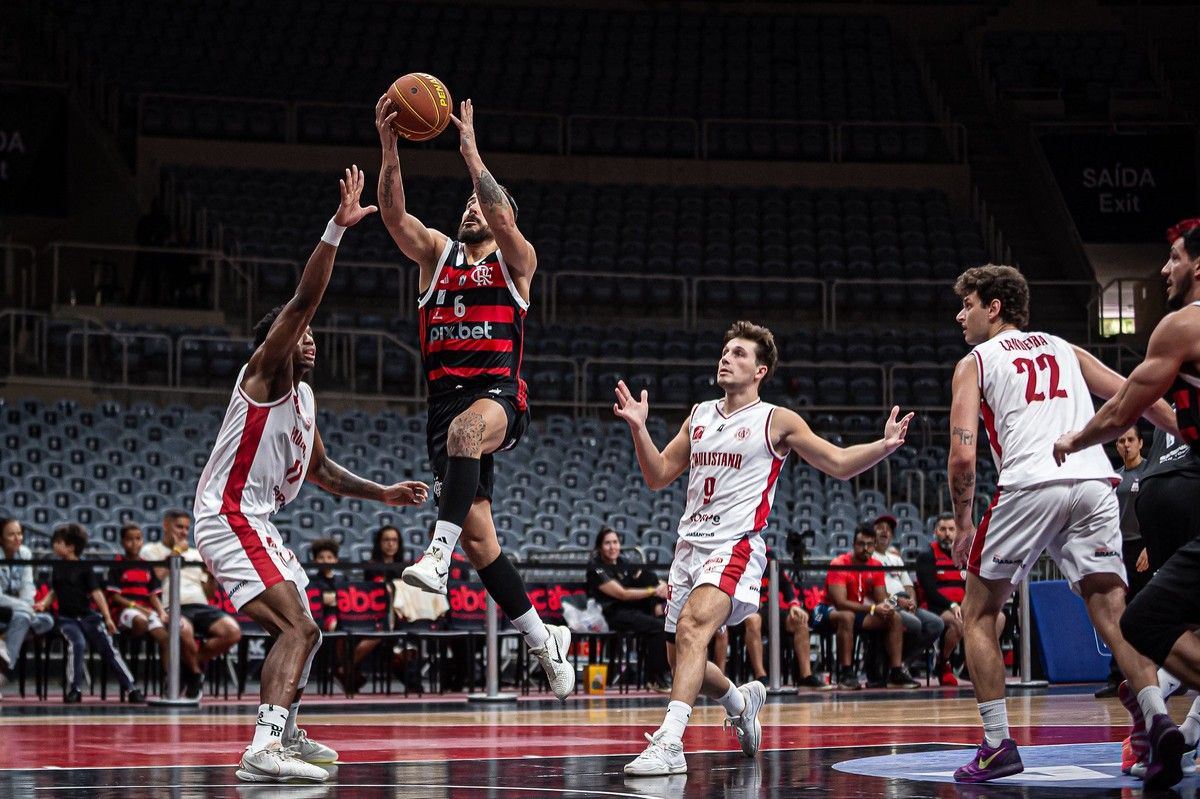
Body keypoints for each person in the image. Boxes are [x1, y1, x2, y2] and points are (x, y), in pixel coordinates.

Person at [191, 165, 430, 784]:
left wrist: (382, 492)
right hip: (229, 516)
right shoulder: (264, 376)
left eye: (312, 336)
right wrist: (337, 228)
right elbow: (304, 301)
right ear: (279, 337)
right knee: (297, 626)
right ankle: (263, 748)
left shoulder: (304, 401)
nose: (311, 340)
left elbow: (321, 470)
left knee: (308, 631)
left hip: (256, 522)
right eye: (301, 335)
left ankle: (285, 730)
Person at [614, 320, 913, 776]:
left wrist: (884, 446)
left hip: (735, 546)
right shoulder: (699, 415)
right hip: (689, 548)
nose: (726, 358)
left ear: (760, 370)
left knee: (696, 627)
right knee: (681, 658)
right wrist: (639, 429)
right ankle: (741, 700)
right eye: (725, 350)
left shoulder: (777, 420)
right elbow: (656, 477)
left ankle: (671, 743)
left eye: (738, 353)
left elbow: (836, 463)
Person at [948, 264, 1180, 787]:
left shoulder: (975, 361)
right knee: (1113, 610)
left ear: (995, 308)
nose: (961, 316)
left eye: (968, 305)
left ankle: (996, 745)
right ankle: (1159, 719)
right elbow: (1139, 395)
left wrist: (963, 523)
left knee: (978, 612)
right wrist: (1187, 434)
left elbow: (962, 459)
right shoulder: (1065, 347)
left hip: (1031, 482)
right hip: (1095, 481)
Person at [376, 97, 574, 699]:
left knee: (468, 435)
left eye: (480, 204)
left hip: (497, 397)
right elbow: (393, 218)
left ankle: (435, 556)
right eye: (466, 203)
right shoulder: (437, 255)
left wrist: (469, 154)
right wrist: (390, 149)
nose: (470, 209)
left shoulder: (518, 264)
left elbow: (503, 219)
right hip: (442, 404)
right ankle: (546, 642)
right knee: (482, 541)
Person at [1054, 218, 1200, 787]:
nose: (1165, 268)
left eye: (1175, 258)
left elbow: (1123, 409)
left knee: (1143, 620)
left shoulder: (1182, 325)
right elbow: (1162, 410)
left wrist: (1074, 439)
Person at [34, 524, 142, 704]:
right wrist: (44, 603)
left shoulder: (85, 567)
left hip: (88, 616)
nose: (54, 545)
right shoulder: (58, 567)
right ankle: (74, 688)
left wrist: (107, 618)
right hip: (67, 619)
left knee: (108, 648)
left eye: (59, 542)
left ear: (71, 546)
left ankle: (131, 688)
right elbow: (55, 591)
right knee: (77, 643)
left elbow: (97, 594)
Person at [141, 509, 241, 682]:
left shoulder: (196, 554)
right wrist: (177, 551)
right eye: (179, 527)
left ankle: (187, 667)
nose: (184, 532)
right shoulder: (151, 550)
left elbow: (209, 594)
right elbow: (157, 576)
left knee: (232, 632)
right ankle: (195, 674)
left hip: (201, 605)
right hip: (172, 606)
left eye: (187, 528)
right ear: (166, 525)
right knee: (183, 631)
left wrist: (211, 576)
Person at [107, 523, 203, 697]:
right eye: (130, 539)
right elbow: (115, 597)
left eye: (138, 539)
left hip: (147, 612)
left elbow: (153, 595)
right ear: (122, 542)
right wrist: (137, 607)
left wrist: (161, 613)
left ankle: (170, 681)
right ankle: (133, 674)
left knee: (166, 638)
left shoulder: (146, 565)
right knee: (140, 621)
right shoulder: (117, 564)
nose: (134, 543)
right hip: (126, 611)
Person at [1095, 426, 1153, 698]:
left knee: (1148, 613)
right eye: (1121, 441)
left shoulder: (1151, 472)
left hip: (1145, 548)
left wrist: (1151, 546)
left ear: (1141, 442)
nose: (1126, 445)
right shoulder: (1114, 478)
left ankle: (1163, 675)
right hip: (1119, 549)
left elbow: (1159, 512)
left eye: (1131, 439)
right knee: (1118, 613)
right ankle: (1117, 677)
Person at [824, 525, 919, 690]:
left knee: (893, 617)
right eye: (861, 544)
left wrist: (894, 603)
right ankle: (847, 673)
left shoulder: (875, 565)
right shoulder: (839, 563)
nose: (865, 548)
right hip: (827, 610)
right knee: (847, 616)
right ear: (853, 545)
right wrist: (874, 609)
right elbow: (840, 602)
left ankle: (896, 672)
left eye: (869, 544)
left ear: (875, 546)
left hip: (859, 611)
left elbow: (881, 598)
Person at [586, 526, 672, 692]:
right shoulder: (596, 568)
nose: (612, 547)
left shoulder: (623, 562)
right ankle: (655, 679)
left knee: (665, 622)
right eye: (607, 543)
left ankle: (660, 674)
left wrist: (661, 586)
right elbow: (622, 594)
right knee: (657, 627)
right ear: (599, 547)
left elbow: (644, 576)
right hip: (611, 614)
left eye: (615, 542)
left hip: (632, 610)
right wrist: (652, 590)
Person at [738, 549, 824, 689]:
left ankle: (805, 676)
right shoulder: (741, 557)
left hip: (772, 610)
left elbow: (787, 587)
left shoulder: (769, 556)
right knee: (753, 619)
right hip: (750, 609)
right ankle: (761, 676)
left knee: (799, 620)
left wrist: (794, 605)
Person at [873, 514, 944, 676]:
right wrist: (898, 601)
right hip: (887, 603)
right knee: (915, 624)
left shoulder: (895, 559)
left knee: (936, 623)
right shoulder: (870, 557)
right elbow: (874, 590)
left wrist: (912, 601)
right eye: (880, 528)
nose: (885, 531)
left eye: (888, 529)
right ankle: (894, 664)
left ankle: (903, 662)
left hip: (905, 602)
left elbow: (908, 585)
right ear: (873, 534)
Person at [311, 538, 380, 692]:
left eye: (329, 557)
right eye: (321, 557)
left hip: (349, 615)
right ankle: (350, 674)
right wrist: (334, 599)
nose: (325, 561)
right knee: (341, 628)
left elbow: (347, 599)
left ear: (336, 559)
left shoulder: (343, 579)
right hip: (324, 618)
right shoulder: (311, 581)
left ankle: (344, 670)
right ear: (315, 560)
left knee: (374, 631)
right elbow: (319, 601)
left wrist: (332, 599)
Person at [0, 518, 55, 694]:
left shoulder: (25, 553)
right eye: (11, 535)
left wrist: (28, 606)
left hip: (18, 613)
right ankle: (3, 673)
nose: (18, 538)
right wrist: (26, 609)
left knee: (47, 621)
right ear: (0, 539)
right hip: (2, 612)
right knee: (23, 617)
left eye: (19, 534)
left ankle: (3, 645)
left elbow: (27, 586)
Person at [915, 513, 966, 686]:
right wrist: (951, 605)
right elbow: (930, 591)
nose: (947, 533)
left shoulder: (963, 555)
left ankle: (970, 666)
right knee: (956, 623)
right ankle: (943, 664)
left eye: (952, 529)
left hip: (963, 606)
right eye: (943, 529)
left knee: (998, 619)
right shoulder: (927, 555)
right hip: (935, 606)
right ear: (935, 532)